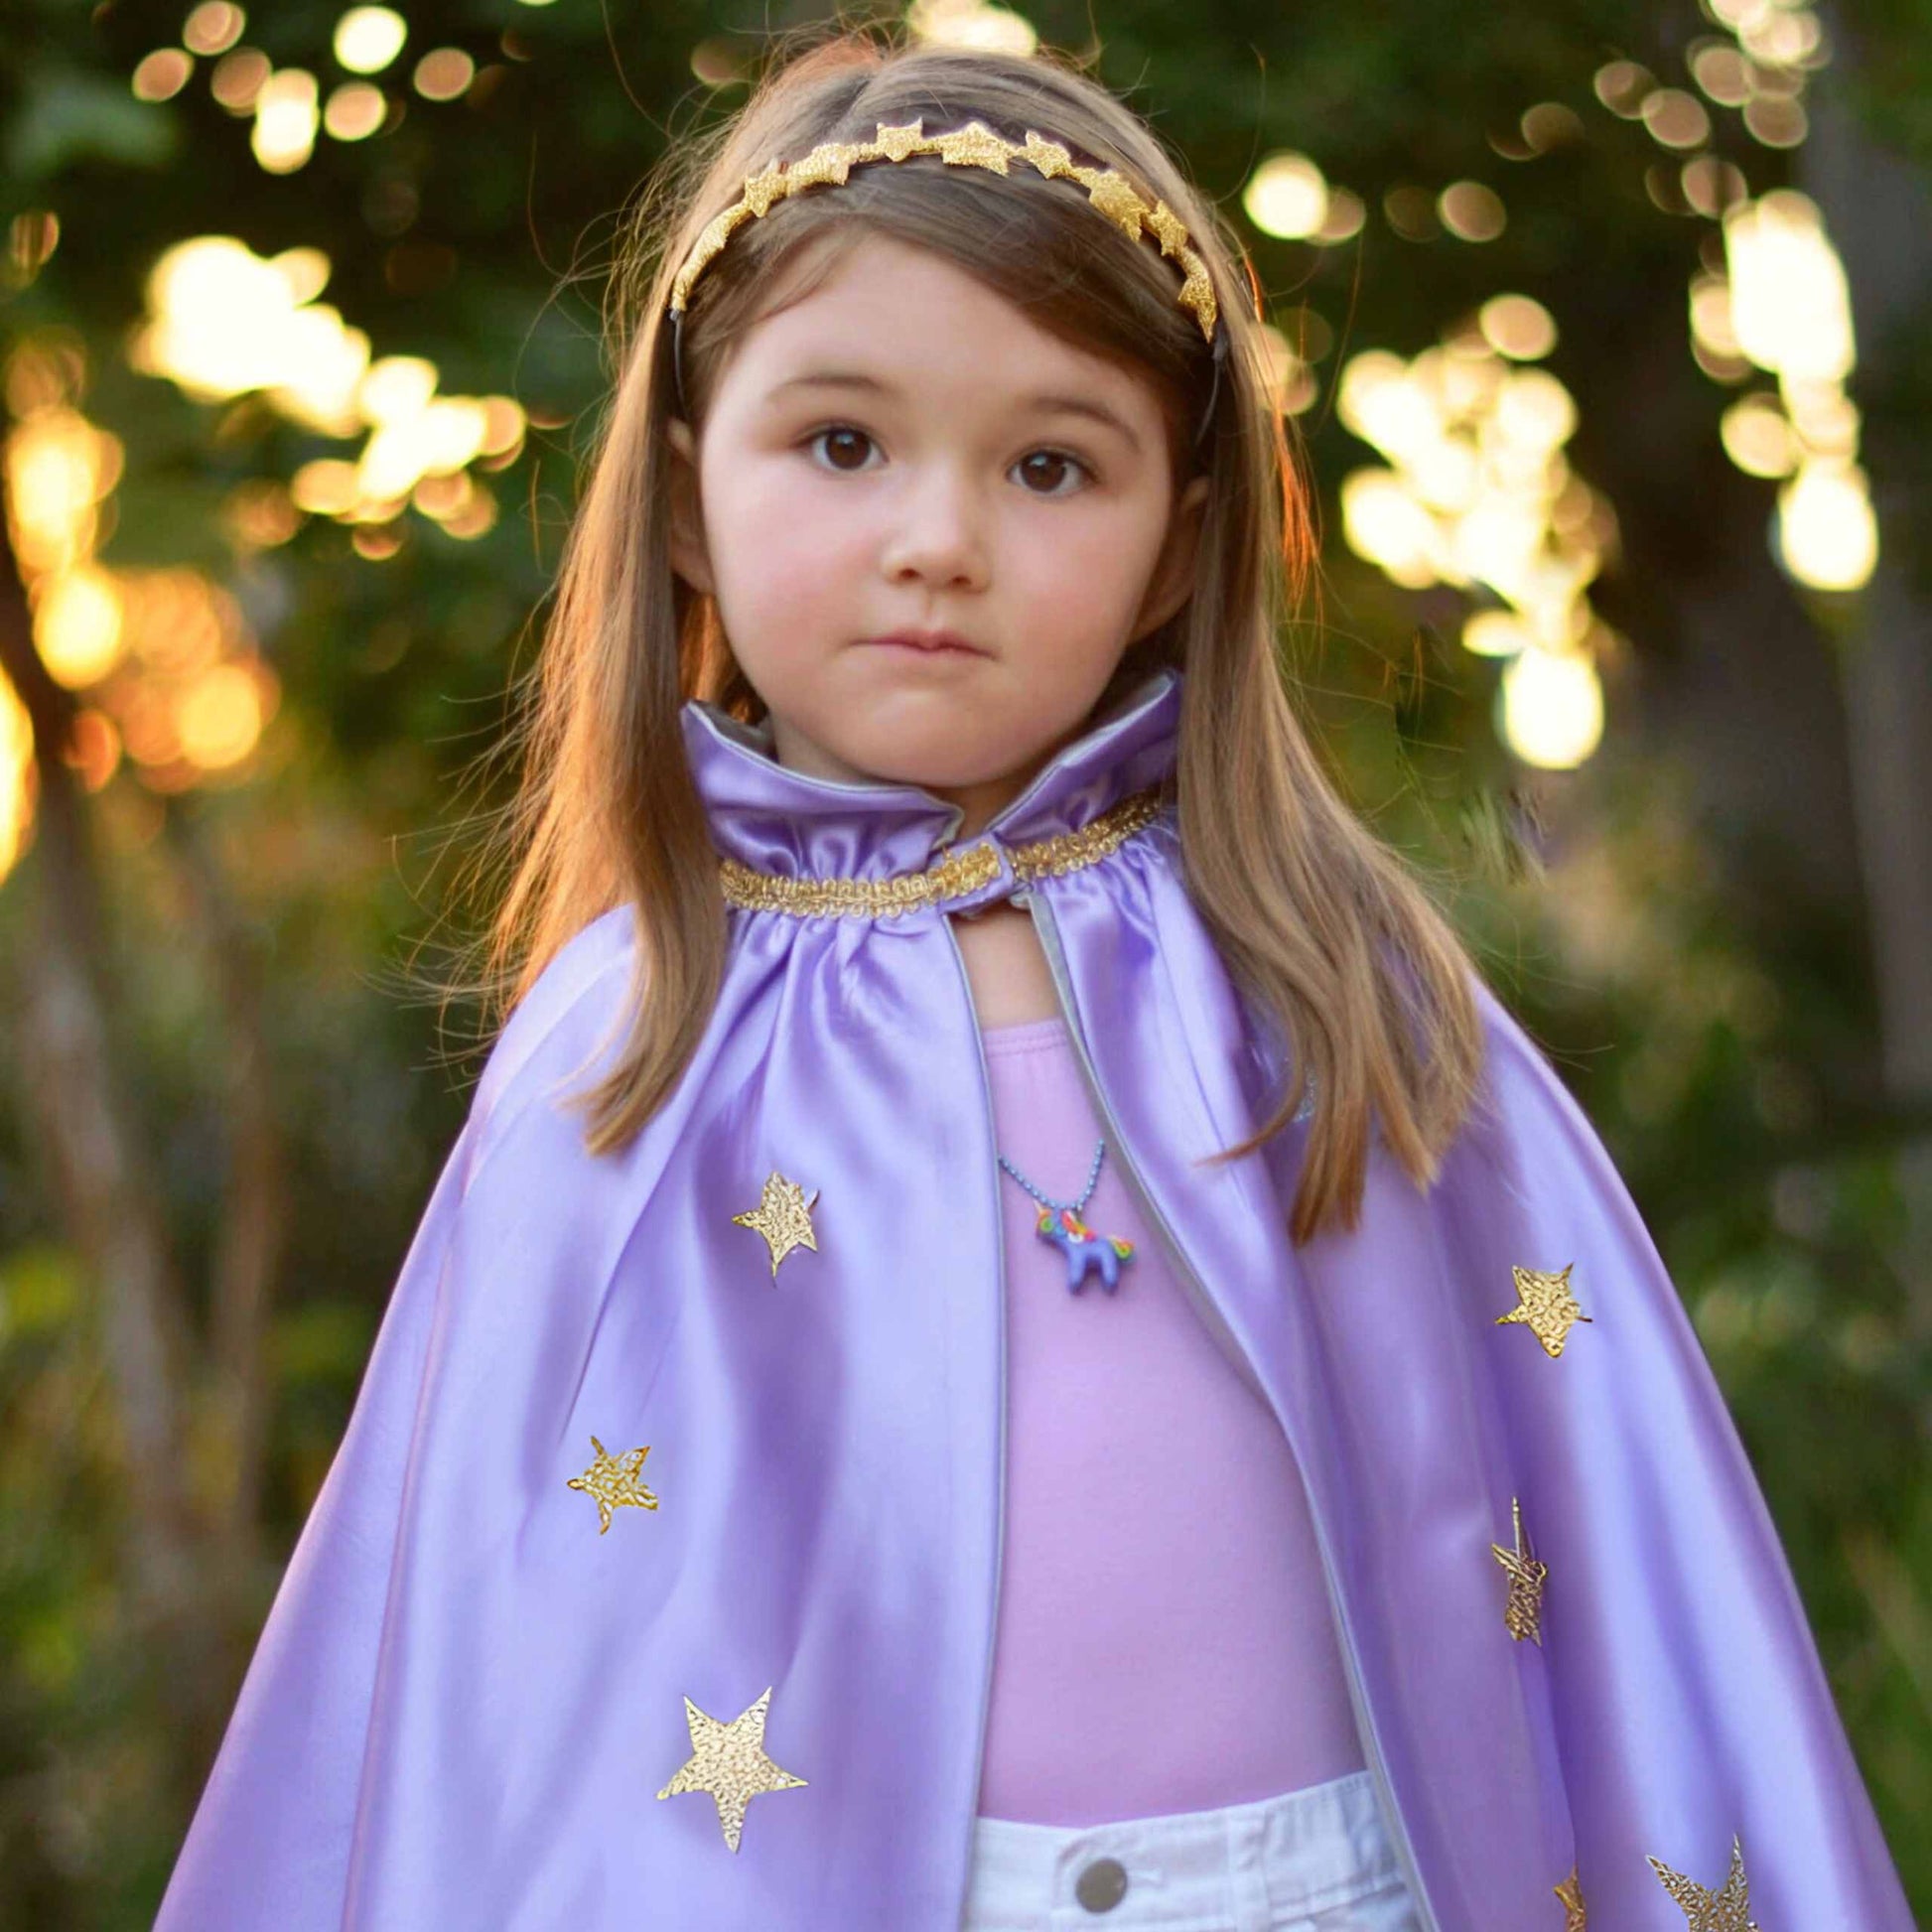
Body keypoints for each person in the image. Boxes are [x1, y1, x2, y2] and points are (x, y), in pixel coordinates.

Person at [153, 27, 1914, 1932]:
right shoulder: (624, 1035)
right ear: (683, 498)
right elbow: (492, 1689)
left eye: (1053, 466)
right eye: (841, 442)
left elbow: (1590, 1523)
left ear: (1175, 543)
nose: (939, 543)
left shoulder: (1322, 974)